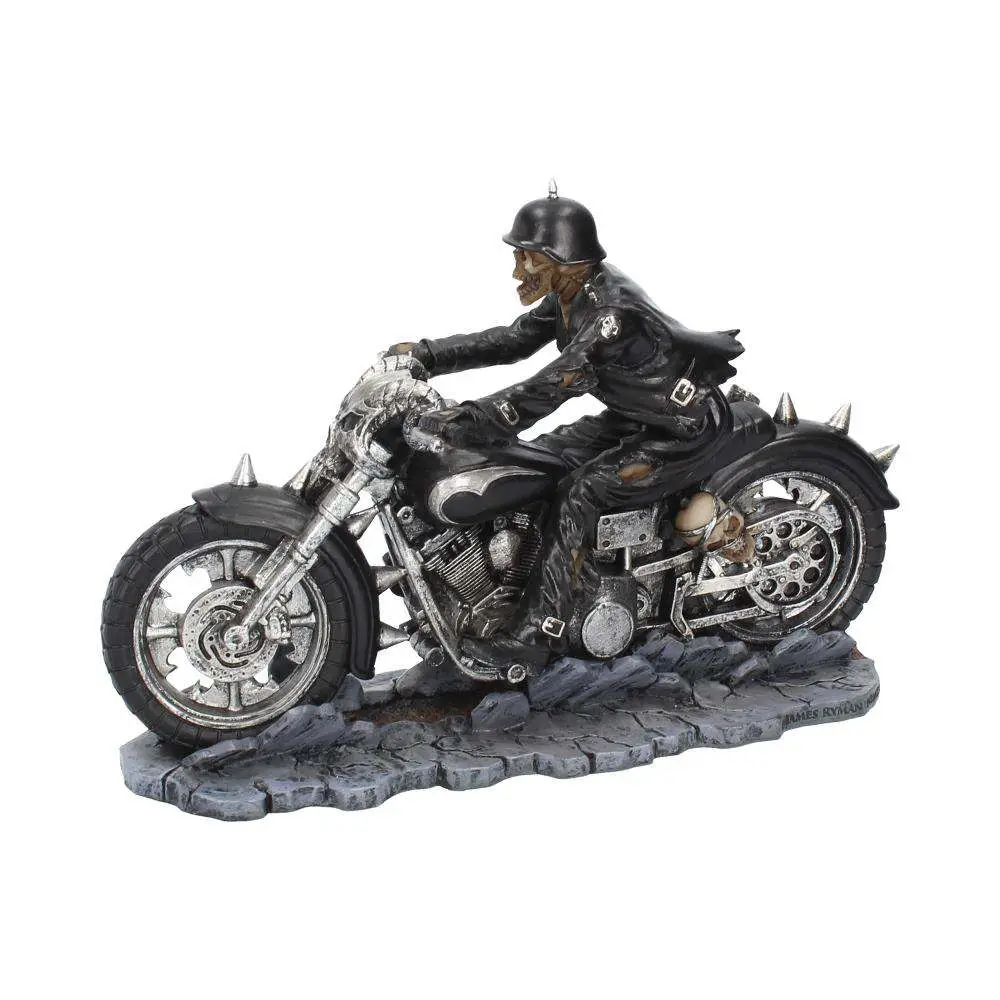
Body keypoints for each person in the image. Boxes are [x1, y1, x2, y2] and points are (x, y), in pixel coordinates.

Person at [387, 182, 744, 671]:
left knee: (580, 492)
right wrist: (428, 355)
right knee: (539, 464)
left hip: (682, 430)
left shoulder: (610, 318)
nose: (518, 271)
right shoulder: (571, 294)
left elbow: (552, 386)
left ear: (564, 259)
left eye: (528, 259)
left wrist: (466, 421)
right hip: (636, 418)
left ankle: (540, 631)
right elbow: (511, 341)